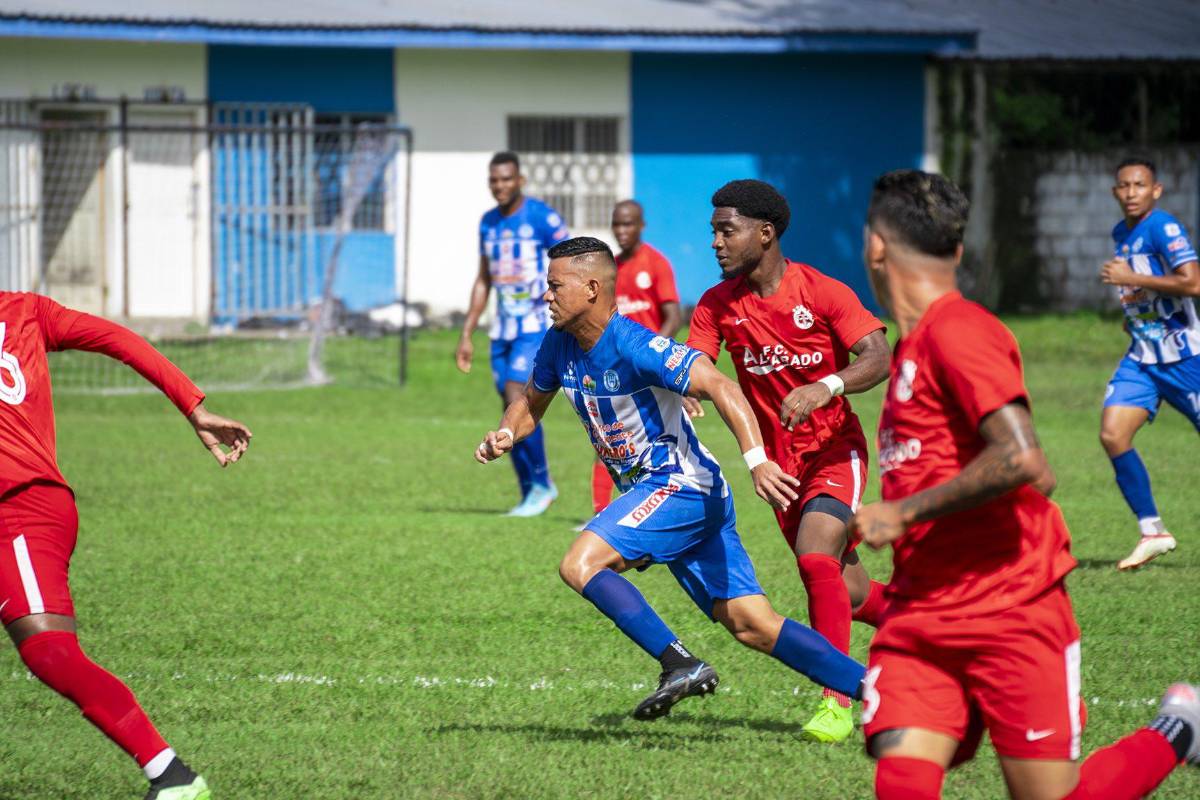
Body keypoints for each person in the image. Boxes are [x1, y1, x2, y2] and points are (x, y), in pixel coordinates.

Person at [851, 169, 1198, 800]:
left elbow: (1023, 459)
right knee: (902, 785)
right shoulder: (911, 345)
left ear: (876, 245)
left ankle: (1178, 732)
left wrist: (902, 514)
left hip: (1012, 610)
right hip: (922, 616)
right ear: (955, 250)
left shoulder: (960, 330)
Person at [475, 236, 866, 720]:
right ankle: (875, 687)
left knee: (581, 564)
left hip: (680, 486)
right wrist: (507, 434)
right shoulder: (559, 344)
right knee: (752, 625)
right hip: (675, 496)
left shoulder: (637, 345)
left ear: (592, 288)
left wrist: (757, 460)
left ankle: (679, 663)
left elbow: (721, 386)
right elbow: (531, 403)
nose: (546, 296)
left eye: (555, 286)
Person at [0, 291, 253, 800]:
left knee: (50, 649)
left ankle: (173, 777)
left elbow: (116, 338)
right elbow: (120, 337)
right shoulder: (23, 309)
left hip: (19, 506)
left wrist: (192, 405)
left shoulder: (24, 311)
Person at [687, 179, 891, 743]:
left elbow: (877, 356)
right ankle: (938, 631)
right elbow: (697, 367)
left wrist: (827, 386)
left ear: (765, 232)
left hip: (834, 451)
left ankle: (837, 701)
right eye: (714, 232)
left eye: (726, 231)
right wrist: (685, 389)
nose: (716, 243)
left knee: (813, 560)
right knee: (847, 592)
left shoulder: (821, 291)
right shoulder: (715, 305)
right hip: (778, 470)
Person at [1097, 156, 1200, 570]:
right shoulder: (1122, 232)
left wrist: (1131, 281)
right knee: (1113, 433)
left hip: (1187, 357)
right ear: (1115, 192)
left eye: (1140, 185)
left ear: (1155, 190)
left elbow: (1193, 282)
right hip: (1143, 358)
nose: (1131, 192)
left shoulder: (1164, 227)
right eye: (1124, 185)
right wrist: (1135, 315)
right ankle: (1153, 530)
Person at [456, 151, 568, 516]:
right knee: (509, 408)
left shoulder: (541, 217)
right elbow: (483, 278)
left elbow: (570, 261)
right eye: (494, 180)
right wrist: (467, 332)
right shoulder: (488, 223)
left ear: (519, 180)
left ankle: (543, 483)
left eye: (506, 179)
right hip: (501, 330)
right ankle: (529, 491)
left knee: (517, 397)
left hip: (534, 327)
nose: (500, 186)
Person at [587, 199, 691, 516]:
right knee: (609, 437)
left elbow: (673, 315)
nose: (622, 231)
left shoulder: (656, 263)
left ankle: (676, 501)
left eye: (628, 224)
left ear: (641, 226)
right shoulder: (611, 269)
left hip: (648, 368)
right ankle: (602, 512)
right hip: (615, 371)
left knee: (664, 437)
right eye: (617, 224)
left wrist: (654, 356)